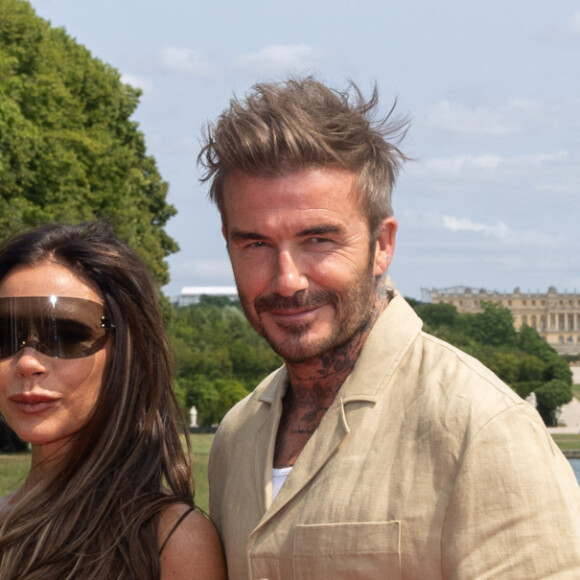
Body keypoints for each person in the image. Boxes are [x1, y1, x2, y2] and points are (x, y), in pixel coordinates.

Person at [199, 77, 580, 579]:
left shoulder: (481, 429)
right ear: (228, 244)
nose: (287, 280)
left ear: (382, 244)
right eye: (255, 244)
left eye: (317, 239)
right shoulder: (236, 437)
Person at [0, 222, 227, 579]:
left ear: (126, 352)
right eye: (4, 336)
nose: (27, 362)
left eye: (66, 335)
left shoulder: (169, 541)